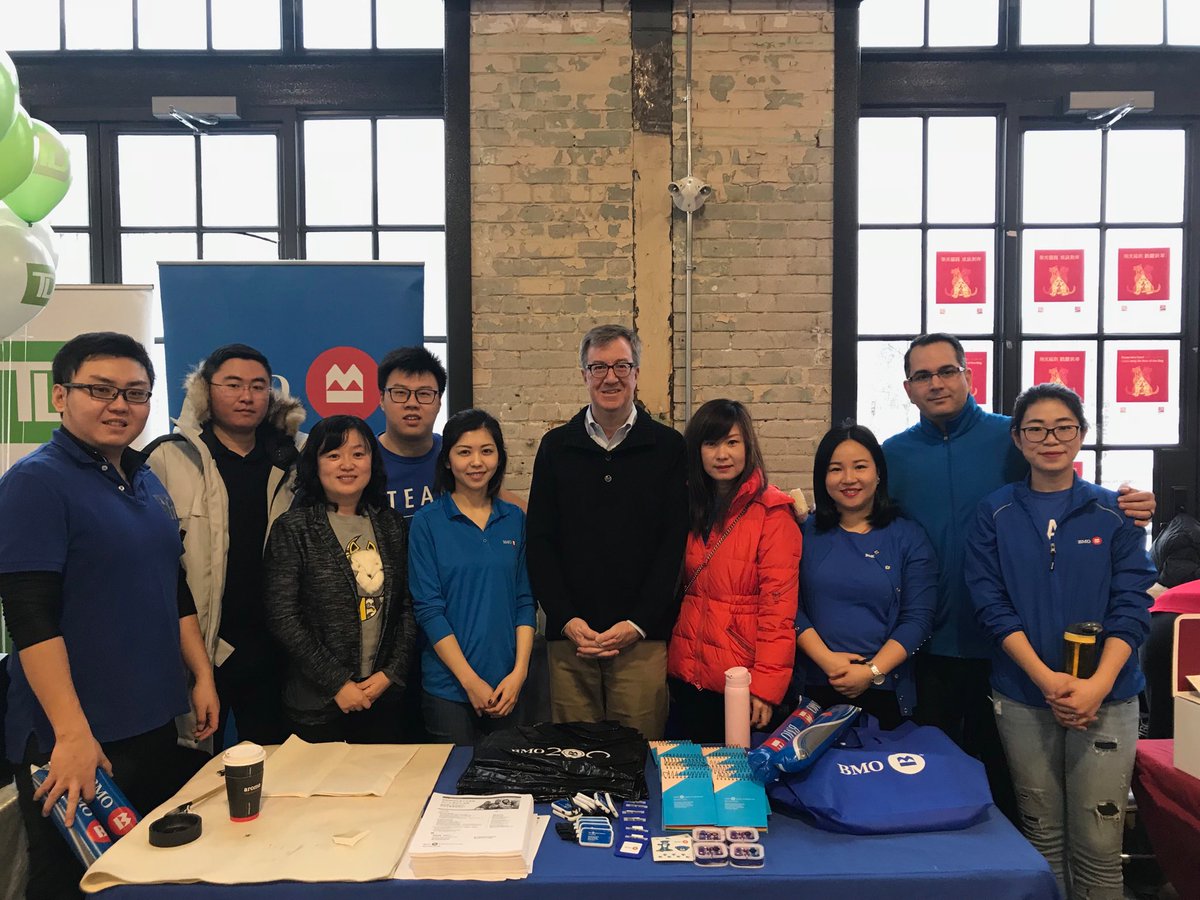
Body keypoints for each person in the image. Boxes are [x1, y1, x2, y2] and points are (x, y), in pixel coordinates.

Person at [882, 334, 1154, 809]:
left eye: (947, 371)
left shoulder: (1014, 435)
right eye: (923, 376)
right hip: (931, 642)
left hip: (1016, 650)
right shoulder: (893, 455)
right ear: (908, 389)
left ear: (968, 376)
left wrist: (1130, 502)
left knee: (1015, 796)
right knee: (935, 785)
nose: (937, 383)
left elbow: (1065, 485)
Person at [0, 332, 217, 899]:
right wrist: (70, 734)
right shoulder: (35, 483)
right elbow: (28, 615)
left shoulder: (143, 481)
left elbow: (173, 588)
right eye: (100, 390)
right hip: (75, 740)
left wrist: (202, 676)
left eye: (135, 393)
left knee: (138, 877)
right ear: (60, 396)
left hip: (150, 722)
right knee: (72, 885)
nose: (119, 405)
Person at [966, 383, 1154, 900]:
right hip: (1024, 695)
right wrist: (1046, 680)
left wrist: (1096, 685)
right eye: (1036, 429)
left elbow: (1132, 604)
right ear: (1018, 438)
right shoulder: (995, 513)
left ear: (1081, 435)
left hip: (1108, 699)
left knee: (1098, 845)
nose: (1050, 438)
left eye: (1062, 427)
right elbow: (991, 604)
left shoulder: (1114, 511)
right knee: (1041, 838)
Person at [526, 323, 688, 741]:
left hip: (642, 643)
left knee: (639, 759)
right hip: (571, 643)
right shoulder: (556, 447)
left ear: (637, 373)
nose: (609, 377)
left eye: (621, 365)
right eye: (598, 367)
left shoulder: (669, 448)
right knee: (574, 757)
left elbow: (673, 547)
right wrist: (565, 619)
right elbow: (540, 542)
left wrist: (636, 623)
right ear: (583, 375)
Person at [146, 343, 304, 751]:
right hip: (200, 646)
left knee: (273, 770)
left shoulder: (293, 460)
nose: (246, 396)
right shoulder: (168, 458)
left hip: (274, 649)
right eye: (232, 385)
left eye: (258, 386)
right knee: (191, 769)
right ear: (205, 391)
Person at [263, 415, 415, 743]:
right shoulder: (293, 528)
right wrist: (338, 683)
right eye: (333, 455)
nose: (347, 464)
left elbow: (408, 605)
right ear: (314, 464)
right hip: (319, 704)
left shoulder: (391, 525)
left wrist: (391, 673)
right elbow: (283, 617)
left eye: (358, 454)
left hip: (382, 698)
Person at [666, 399, 802, 742]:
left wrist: (766, 688)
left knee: (737, 785)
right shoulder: (688, 506)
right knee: (690, 781)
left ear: (748, 446)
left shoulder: (773, 514)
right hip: (686, 673)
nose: (722, 454)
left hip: (740, 679)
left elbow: (778, 611)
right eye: (711, 444)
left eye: (732, 442)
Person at [794, 422, 936, 729]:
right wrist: (827, 661)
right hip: (814, 690)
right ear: (823, 477)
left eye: (860, 466)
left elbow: (918, 619)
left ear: (879, 472)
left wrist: (871, 671)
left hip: (885, 689)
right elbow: (788, 607)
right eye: (836, 469)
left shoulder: (908, 536)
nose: (849, 479)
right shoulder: (804, 534)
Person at [408, 409, 537, 745]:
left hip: (509, 685)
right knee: (453, 789)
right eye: (464, 452)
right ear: (448, 461)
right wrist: (469, 681)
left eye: (487, 450)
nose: (476, 462)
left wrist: (519, 673)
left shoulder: (515, 519)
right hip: (448, 688)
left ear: (499, 458)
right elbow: (429, 610)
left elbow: (525, 601)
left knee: (510, 789)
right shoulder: (427, 522)